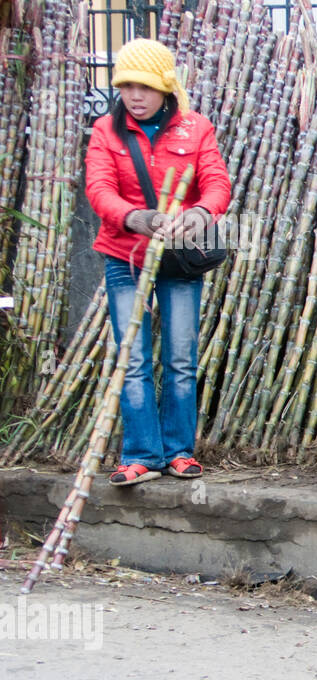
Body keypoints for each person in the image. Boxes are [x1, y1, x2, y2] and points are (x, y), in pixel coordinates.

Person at [84, 38, 231, 486]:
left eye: (144, 87)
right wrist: (136, 217)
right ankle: (142, 454)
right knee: (132, 358)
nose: (135, 96)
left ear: (165, 87)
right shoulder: (106, 132)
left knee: (182, 356)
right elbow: (98, 188)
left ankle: (179, 451)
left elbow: (216, 182)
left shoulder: (195, 127)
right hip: (124, 255)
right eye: (127, 86)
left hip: (178, 261)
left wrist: (201, 213)